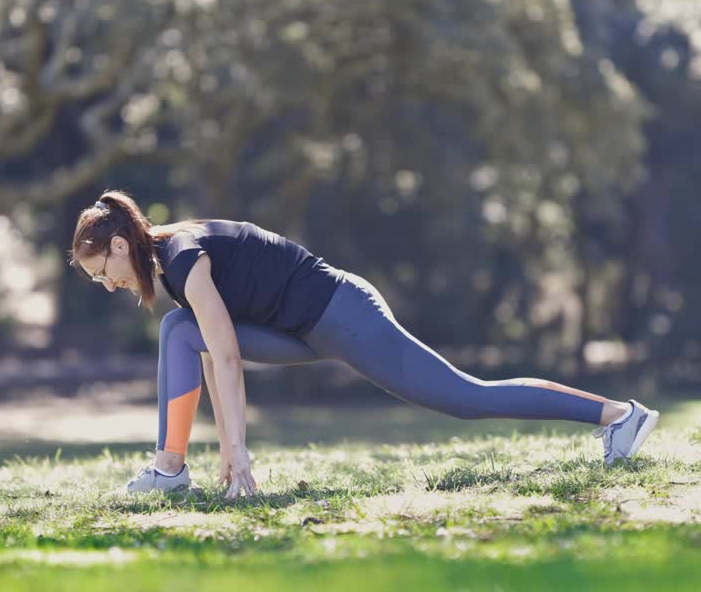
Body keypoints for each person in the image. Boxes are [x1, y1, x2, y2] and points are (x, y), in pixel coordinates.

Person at [69, 190, 659, 499]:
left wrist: (238, 448)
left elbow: (227, 358)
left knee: (465, 397)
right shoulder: (166, 267)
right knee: (179, 330)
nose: (108, 284)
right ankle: (170, 471)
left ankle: (618, 416)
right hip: (295, 329)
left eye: (102, 272)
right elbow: (210, 351)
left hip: (342, 314)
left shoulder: (181, 256)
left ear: (119, 246)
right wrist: (228, 449)